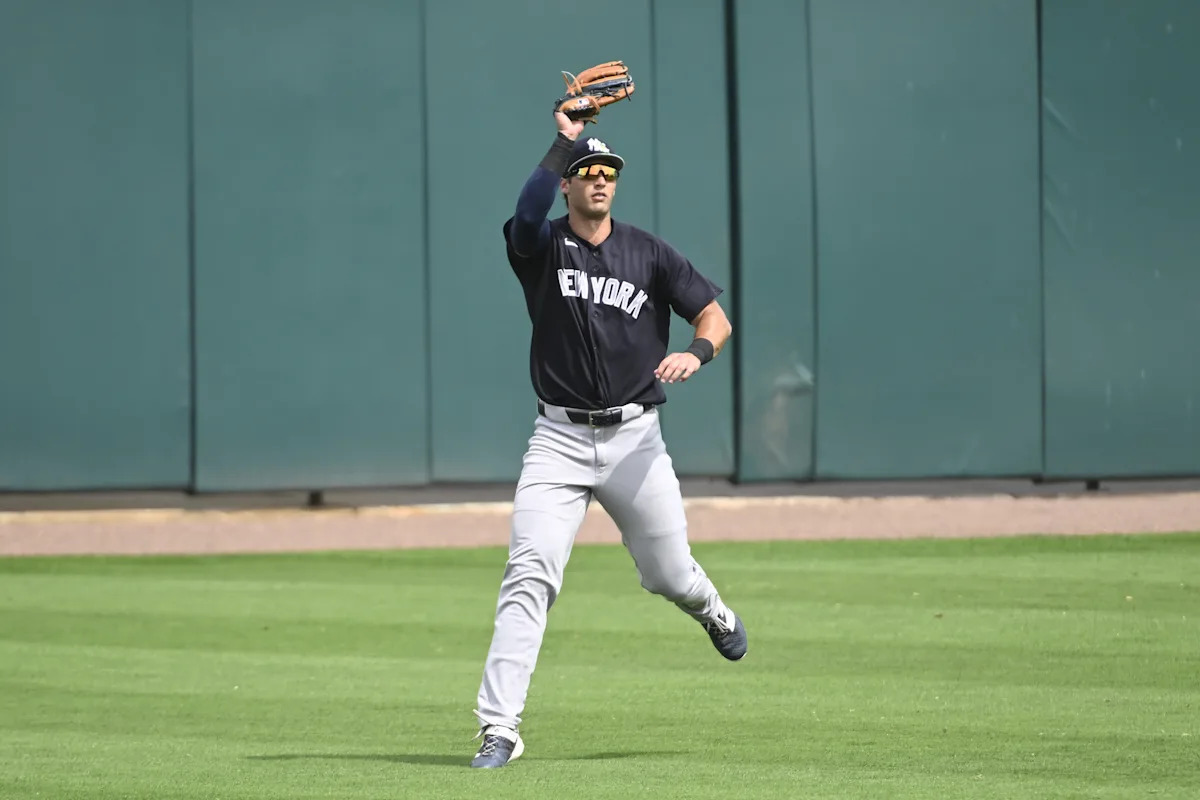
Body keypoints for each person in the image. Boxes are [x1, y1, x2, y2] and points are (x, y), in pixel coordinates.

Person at [469, 110, 746, 769]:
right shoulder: (540, 246)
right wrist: (564, 139)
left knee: (668, 573)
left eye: (608, 172)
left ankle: (710, 607)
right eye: (586, 171)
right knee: (529, 574)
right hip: (558, 439)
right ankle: (499, 728)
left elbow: (714, 317)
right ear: (566, 184)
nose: (598, 179)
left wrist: (697, 352)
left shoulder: (648, 252)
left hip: (635, 440)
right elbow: (526, 210)